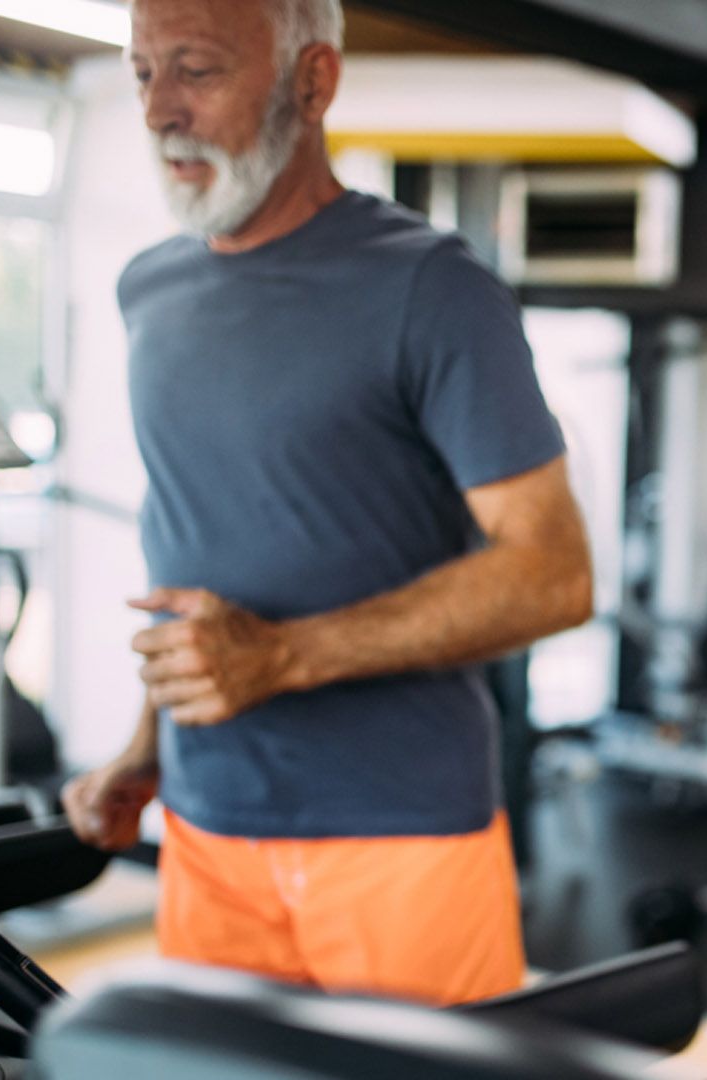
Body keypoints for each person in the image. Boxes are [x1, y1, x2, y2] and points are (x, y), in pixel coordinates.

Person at [61, 0, 593, 1007]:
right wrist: (145, 750)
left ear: (313, 82)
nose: (158, 110)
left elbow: (554, 574)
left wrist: (283, 656)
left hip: (399, 840)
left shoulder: (433, 289)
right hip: (208, 829)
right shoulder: (150, 291)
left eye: (196, 70)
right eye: (141, 74)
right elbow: (195, 562)